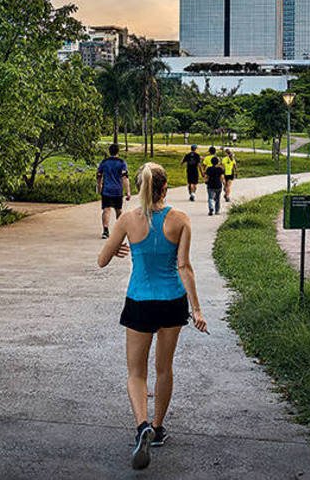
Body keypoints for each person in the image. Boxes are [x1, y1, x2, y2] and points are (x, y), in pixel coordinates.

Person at [97, 163, 207, 470]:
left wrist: (119, 245)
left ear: (141, 187)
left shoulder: (128, 219)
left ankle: (142, 426)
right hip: (173, 301)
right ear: (165, 187)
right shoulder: (180, 219)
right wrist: (196, 308)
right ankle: (158, 429)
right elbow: (184, 267)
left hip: (140, 301)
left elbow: (102, 260)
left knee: (136, 373)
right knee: (163, 368)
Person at [97, 143, 131, 239]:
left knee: (106, 210)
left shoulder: (104, 162)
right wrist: (128, 191)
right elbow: (125, 178)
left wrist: (99, 187)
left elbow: (99, 176)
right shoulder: (121, 163)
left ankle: (105, 231)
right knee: (118, 210)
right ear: (118, 152)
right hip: (117, 190)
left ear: (109, 151)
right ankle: (120, 230)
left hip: (106, 190)